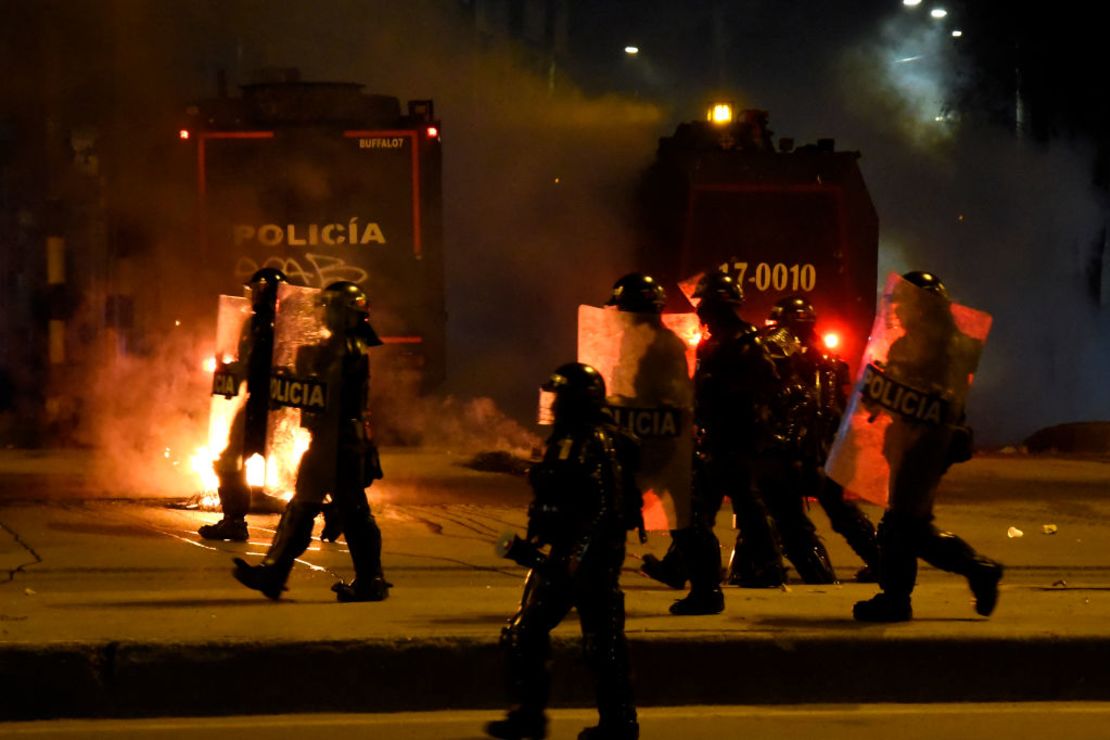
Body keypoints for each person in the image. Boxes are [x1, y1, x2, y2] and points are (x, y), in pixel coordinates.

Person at [487, 363, 639, 740]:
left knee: (602, 645)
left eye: (561, 398)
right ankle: (528, 715)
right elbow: (555, 489)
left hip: (592, 560)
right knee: (525, 632)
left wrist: (579, 557)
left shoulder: (598, 442)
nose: (554, 406)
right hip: (562, 554)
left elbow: (605, 507)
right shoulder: (567, 439)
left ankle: (618, 724)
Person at [853, 271, 1003, 622]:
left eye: (906, 303)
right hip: (911, 441)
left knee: (898, 524)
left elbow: (943, 398)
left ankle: (898, 598)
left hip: (927, 444)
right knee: (912, 526)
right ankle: (977, 570)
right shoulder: (922, 344)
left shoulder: (943, 347)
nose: (899, 311)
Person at [232, 281, 390, 602]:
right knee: (303, 507)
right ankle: (274, 572)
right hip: (327, 440)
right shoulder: (340, 344)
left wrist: (296, 383)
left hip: (341, 442)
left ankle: (370, 580)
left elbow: (326, 392)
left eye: (331, 307)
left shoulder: (349, 347)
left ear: (345, 313)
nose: (325, 314)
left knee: (352, 512)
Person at [667, 271, 783, 616]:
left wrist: (725, 403)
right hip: (722, 434)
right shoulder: (722, 338)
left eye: (704, 304)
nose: (700, 311)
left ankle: (713, 578)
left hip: (732, 435)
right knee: (725, 502)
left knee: (708, 506)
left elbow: (764, 385)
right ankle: (764, 564)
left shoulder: (742, 341)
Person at [753, 295, 880, 583]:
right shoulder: (827, 356)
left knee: (785, 516)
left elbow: (784, 402)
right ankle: (882, 562)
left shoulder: (775, 351)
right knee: (841, 512)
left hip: (790, 450)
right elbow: (840, 407)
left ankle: (814, 573)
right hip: (824, 451)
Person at [199, 268, 286, 542]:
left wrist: (234, 368)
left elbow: (256, 365)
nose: (255, 295)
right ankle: (330, 512)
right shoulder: (277, 324)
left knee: (230, 461)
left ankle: (234, 521)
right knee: (236, 460)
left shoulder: (268, 326)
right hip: (274, 406)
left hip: (263, 406)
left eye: (258, 289)